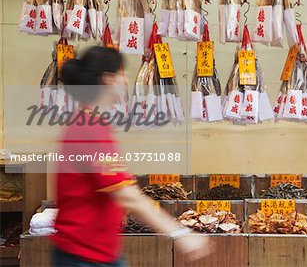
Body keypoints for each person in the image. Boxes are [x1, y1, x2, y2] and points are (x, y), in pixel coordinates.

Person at [51, 46, 210, 266]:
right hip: (84, 255)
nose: (126, 81)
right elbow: (125, 194)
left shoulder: (91, 121)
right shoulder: (89, 126)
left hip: (97, 250)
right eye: (122, 74)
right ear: (107, 79)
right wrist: (179, 233)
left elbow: (107, 186)